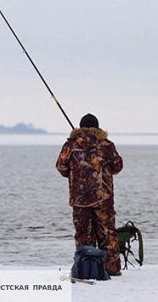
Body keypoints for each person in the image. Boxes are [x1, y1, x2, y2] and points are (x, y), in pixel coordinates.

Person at [56, 113, 124, 276]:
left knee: (83, 234)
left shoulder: (70, 145)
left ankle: (87, 269)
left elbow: (61, 167)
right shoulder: (106, 145)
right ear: (97, 127)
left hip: (79, 199)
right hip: (103, 199)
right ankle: (111, 269)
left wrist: (77, 174)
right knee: (107, 234)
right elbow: (118, 166)